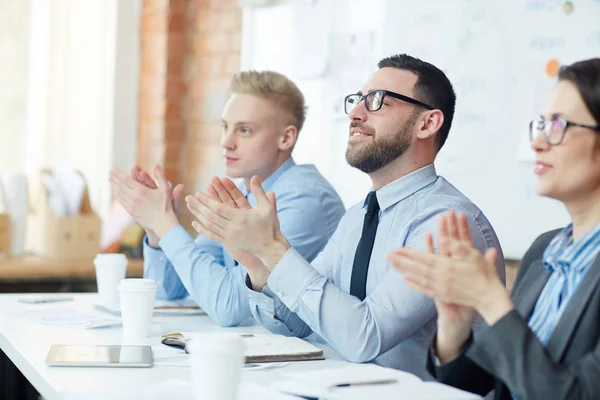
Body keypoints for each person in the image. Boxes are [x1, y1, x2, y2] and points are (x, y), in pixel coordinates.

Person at [186, 54, 505, 378]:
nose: (355, 112)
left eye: (377, 101)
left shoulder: (443, 223)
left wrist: (272, 250)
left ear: (427, 123)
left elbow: (365, 337)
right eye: (357, 100)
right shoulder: (358, 218)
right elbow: (295, 321)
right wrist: (256, 265)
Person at [389, 58, 600, 399]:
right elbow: (486, 384)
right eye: (540, 124)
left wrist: (492, 302)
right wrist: (454, 330)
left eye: (559, 125)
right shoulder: (545, 250)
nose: (537, 143)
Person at [109, 70, 345, 327]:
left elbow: (229, 305)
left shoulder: (304, 200)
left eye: (244, 130)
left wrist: (166, 224)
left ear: (286, 138)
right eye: (225, 127)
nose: (226, 143)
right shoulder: (238, 192)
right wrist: (156, 233)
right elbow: (170, 291)